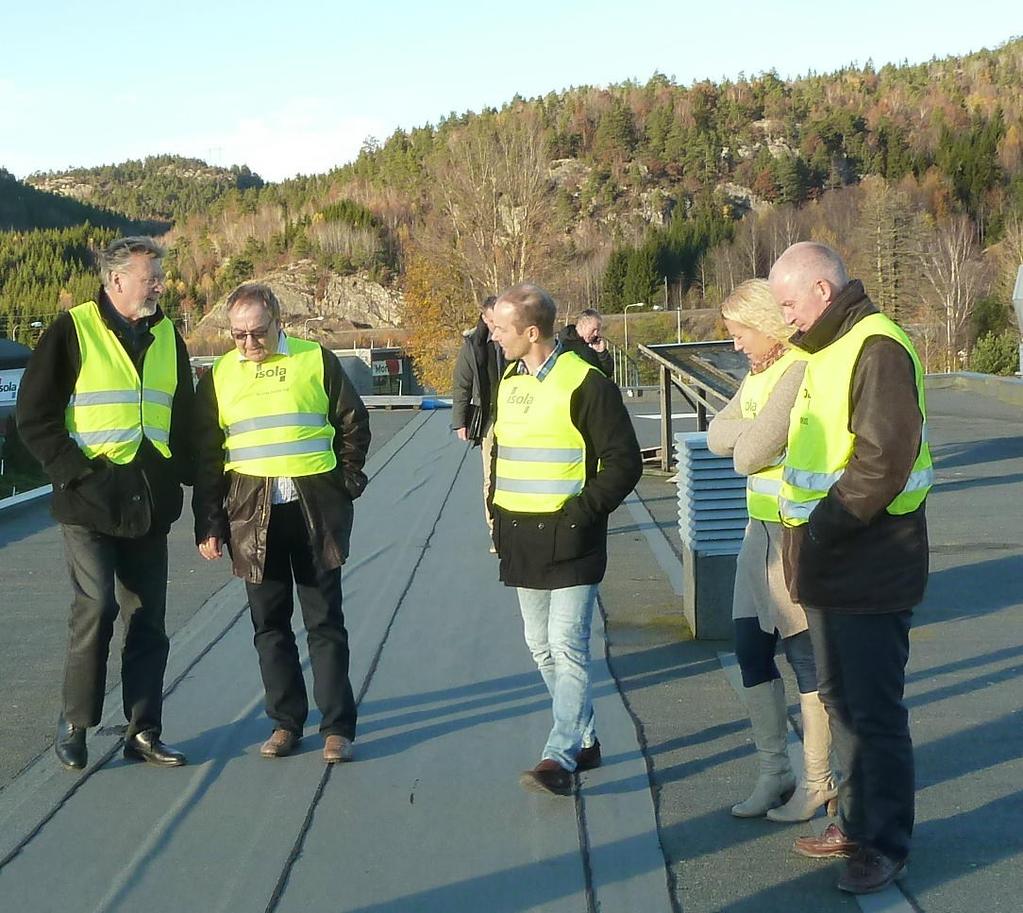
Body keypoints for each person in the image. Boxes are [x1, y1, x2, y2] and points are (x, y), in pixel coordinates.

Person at [769, 242, 933, 894]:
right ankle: (856, 820)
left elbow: (881, 460)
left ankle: (882, 842)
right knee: (843, 703)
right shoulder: (830, 348)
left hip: (868, 559)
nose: (785, 316)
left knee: (871, 712)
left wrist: (819, 530)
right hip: (836, 564)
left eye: (787, 302)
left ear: (820, 290)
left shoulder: (874, 345)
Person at [16, 236, 194, 770]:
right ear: (116, 281)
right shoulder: (72, 330)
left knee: (149, 620)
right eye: (150, 276)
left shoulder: (168, 336)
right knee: (97, 607)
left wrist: (198, 485)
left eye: (160, 275)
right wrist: (74, 473)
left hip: (149, 501)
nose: (159, 285)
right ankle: (75, 723)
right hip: (89, 501)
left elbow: (182, 417)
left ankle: (143, 731)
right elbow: (33, 416)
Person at [192, 282, 370, 764]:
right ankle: (285, 723)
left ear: (277, 321)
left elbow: (352, 421)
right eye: (238, 335)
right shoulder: (219, 375)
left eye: (258, 333)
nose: (249, 345)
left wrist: (346, 481)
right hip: (252, 514)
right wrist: (209, 522)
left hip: (313, 510)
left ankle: (337, 727)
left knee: (325, 622)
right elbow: (208, 455)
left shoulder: (315, 360)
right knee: (269, 625)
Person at [488, 283, 642, 796]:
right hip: (520, 535)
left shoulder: (586, 382)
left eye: (502, 329)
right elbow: (501, 454)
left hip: (571, 534)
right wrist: (495, 514)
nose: (495, 336)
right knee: (540, 646)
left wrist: (582, 513)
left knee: (567, 645)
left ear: (531, 332)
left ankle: (559, 753)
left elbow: (625, 462)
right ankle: (585, 738)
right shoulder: (509, 379)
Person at [707, 280, 836, 822]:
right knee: (749, 651)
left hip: (791, 535)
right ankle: (773, 772)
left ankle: (817, 780)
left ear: (766, 325)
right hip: (755, 536)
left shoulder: (799, 368)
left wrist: (750, 436)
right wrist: (750, 433)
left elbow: (745, 453)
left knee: (805, 660)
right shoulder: (761, 372)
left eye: (740, 335)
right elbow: (717, 436)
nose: (735, 346)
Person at [451, 295, 503, 544]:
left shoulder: (513, 337)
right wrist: (460, 421)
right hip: (489, 417)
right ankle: (495, 529)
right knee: (490, 476)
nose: (496, 326)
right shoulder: (473, 345)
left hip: (515, 412)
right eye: (492, 321)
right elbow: (462, 383)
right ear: (484, 318)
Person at [560, 308, 614, 378]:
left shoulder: (590, 347)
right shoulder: (564, 345)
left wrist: (602, 353)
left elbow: (607, 373)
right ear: (583, 324)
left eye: (598, 330)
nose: (596, 334)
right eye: (594, 329)